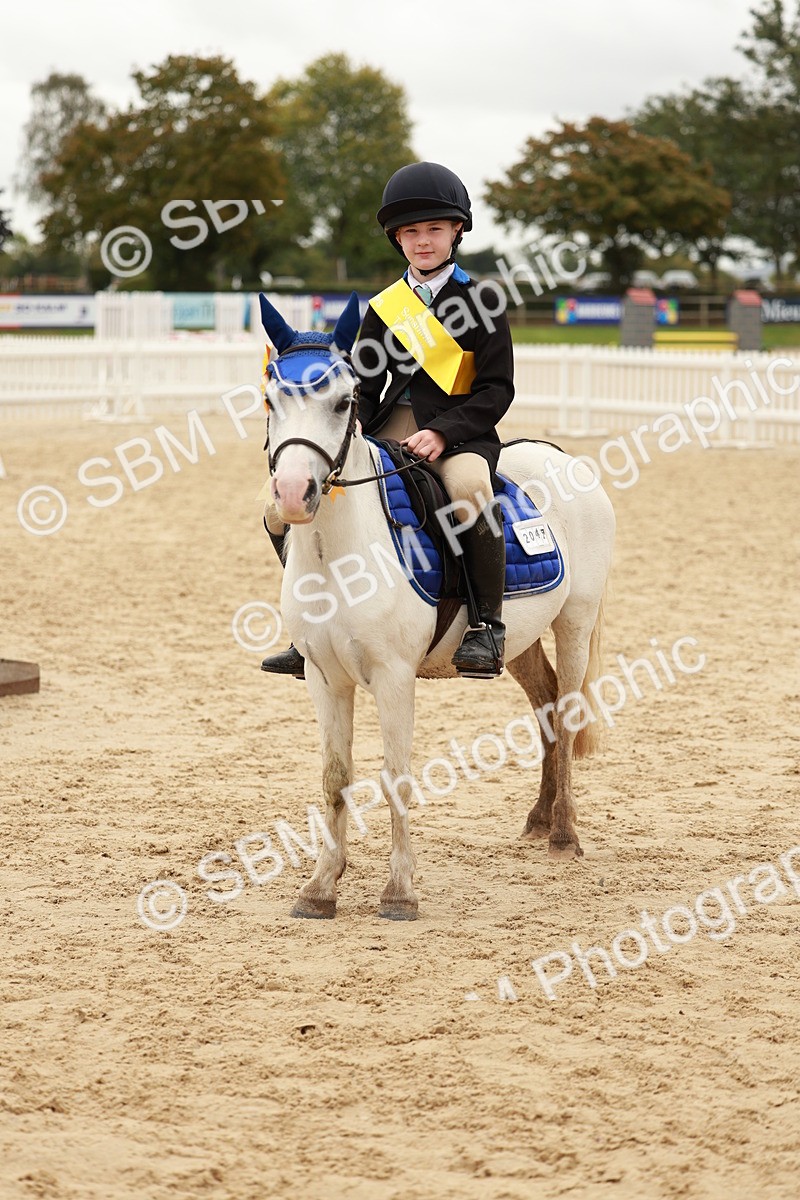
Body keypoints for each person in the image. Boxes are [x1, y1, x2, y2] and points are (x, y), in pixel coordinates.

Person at [261, 161, 514, 679]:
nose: (423, 242)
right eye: (412, 233)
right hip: (383, 433)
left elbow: (497, 390)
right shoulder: (383, 308)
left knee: (467, 489)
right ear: (398, 240)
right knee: (278, 511)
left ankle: (486, 626)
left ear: (456, 231)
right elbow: (364, 386)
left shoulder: (483, 301)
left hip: (458, 435)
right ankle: (308, 627)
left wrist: (445, 432)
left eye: (434, 230)